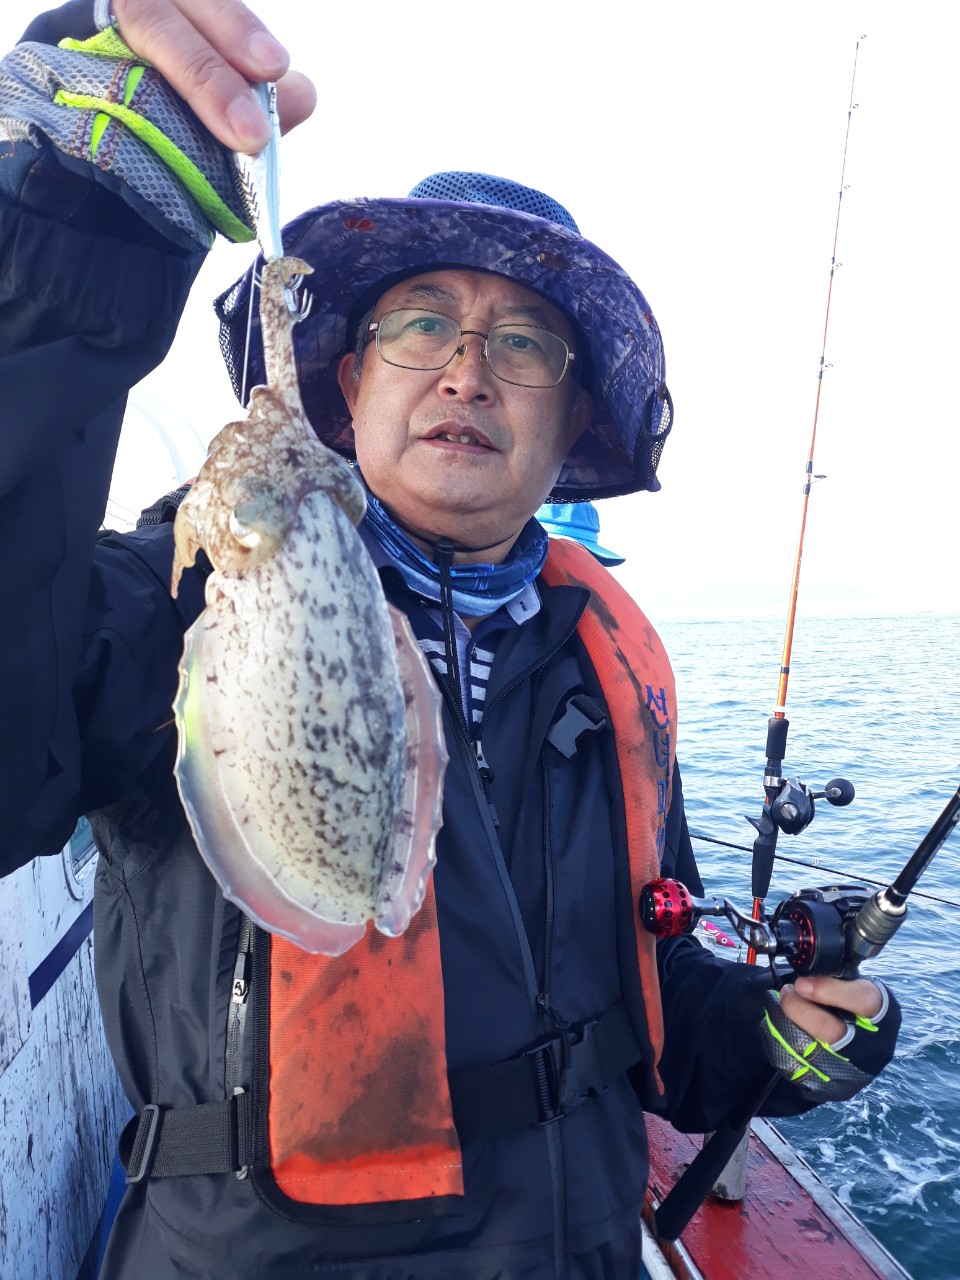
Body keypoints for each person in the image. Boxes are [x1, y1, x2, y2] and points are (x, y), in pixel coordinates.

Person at [0, 3, 901, 1277]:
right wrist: (64, 249)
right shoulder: (191, 585)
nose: (468, 371)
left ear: (571, 420)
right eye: (423, 323)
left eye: (522, 343)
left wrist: (772, 1035)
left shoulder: (607, 664)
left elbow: (656, 1002)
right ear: (351, 378)